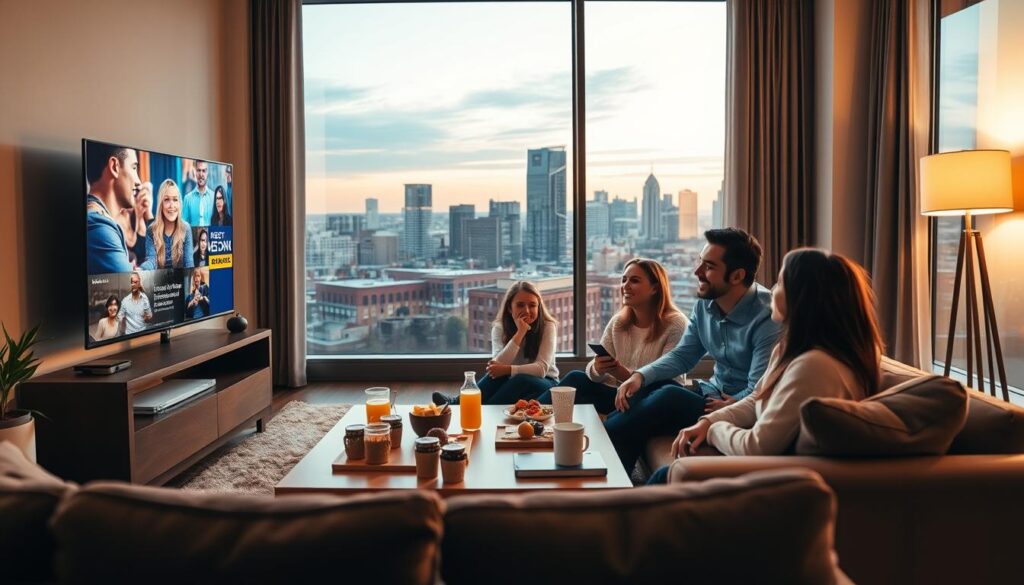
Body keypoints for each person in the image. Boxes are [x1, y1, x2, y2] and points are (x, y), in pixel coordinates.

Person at [646, 248, 885, 484]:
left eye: (780, 283)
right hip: (763, 458)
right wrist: (707, 421)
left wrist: (714, 430)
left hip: (777, 474)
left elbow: (756, 446)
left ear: (802, 297)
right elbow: (758, 397)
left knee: (661, 473)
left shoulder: (815, 366)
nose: (772, 291)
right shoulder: (790, 350)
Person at [604, 228, 782, 475]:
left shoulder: (768, 317)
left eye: (708, 266)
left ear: (737, 275)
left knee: (668, 396)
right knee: (653, 387)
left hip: (735, 408)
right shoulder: (705, 305)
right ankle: (617, 473)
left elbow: (759, 389)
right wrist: (639, 376)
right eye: (700, 261)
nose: (697, 271)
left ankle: (609, 452)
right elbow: (683, 356)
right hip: (710, 394)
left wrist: (735, 404)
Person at [537, 258, 688, 414]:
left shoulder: (675, 324)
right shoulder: (619, 322)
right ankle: (530, 415)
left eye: (634, 281)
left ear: (655, 288)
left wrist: (622, 374)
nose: (625, 286)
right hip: (615, 394)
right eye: (624, 280)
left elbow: (668, 387)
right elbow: (592, 372)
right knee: (575, 378)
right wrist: (598, 368)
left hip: (649, 399)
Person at [433, 281, 558, 406]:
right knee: (496, 374)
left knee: (518, 378)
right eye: (520, 305)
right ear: (510, 307)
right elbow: (498, 365)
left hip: (547, 382)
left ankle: (472, 407)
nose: (526, 310)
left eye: (532, 305)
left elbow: (541, 369)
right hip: (513, 380)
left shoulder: (548, 326)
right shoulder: (500, 328)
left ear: (538, 307)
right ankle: (460, 402)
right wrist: (520, 333)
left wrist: (508, 370)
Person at [86, 144, 140, 274]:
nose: (139, 181)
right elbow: (131, 289)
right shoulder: (98, 226)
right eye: (134, 168)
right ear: (114, 167)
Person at [141, 179, 194, 270]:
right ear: (161, 204)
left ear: (179, 203)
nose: (172, 205)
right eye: (166, 200)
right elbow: (151, 261)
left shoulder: (186, 228)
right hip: (160, 283)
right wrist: (141, 269)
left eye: (175, 200)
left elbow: (189, 264)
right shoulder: (151, 230)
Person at [126, 181, 154, 267]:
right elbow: (130, 246)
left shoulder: (151, 221)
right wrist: (137, 214)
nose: (145, 197)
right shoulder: (128, 217)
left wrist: (148, 211)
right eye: (141, 192)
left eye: (148, 193)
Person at [182, 160, 212, 227]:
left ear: (207, 173)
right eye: (198, 170)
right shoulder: (187, 198)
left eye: (204, 171)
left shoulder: (214, 197)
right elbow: (184, 227)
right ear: (195, 172)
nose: (201, 174)